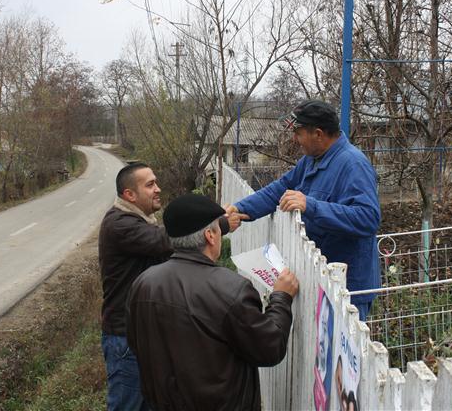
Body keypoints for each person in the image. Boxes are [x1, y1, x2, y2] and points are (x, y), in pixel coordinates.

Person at [126, 193, 299, 410]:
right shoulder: (231, 289)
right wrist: (281, 298)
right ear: (210, 236)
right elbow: (270, 348)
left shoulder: (144, 283)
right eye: (218, 228)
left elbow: (136, 343)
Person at [226, 99, 381, 320]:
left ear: (318, 134)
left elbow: (369, 218)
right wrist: (240, 209)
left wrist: (311, 205)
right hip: (321, 278)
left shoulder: (353, 164)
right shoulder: (312, 160)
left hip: (348, 287)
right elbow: (278, 190)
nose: (295, 139)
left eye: (298, 133)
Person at [98, 162, 175, 410]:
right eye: (150, 184)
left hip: (143, 335)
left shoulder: (141, 220)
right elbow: (163, 242)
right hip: (125, 339)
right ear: (129, 194)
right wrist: (217, 226)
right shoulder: (119, 224)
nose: (158, 189)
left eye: (156, 182)